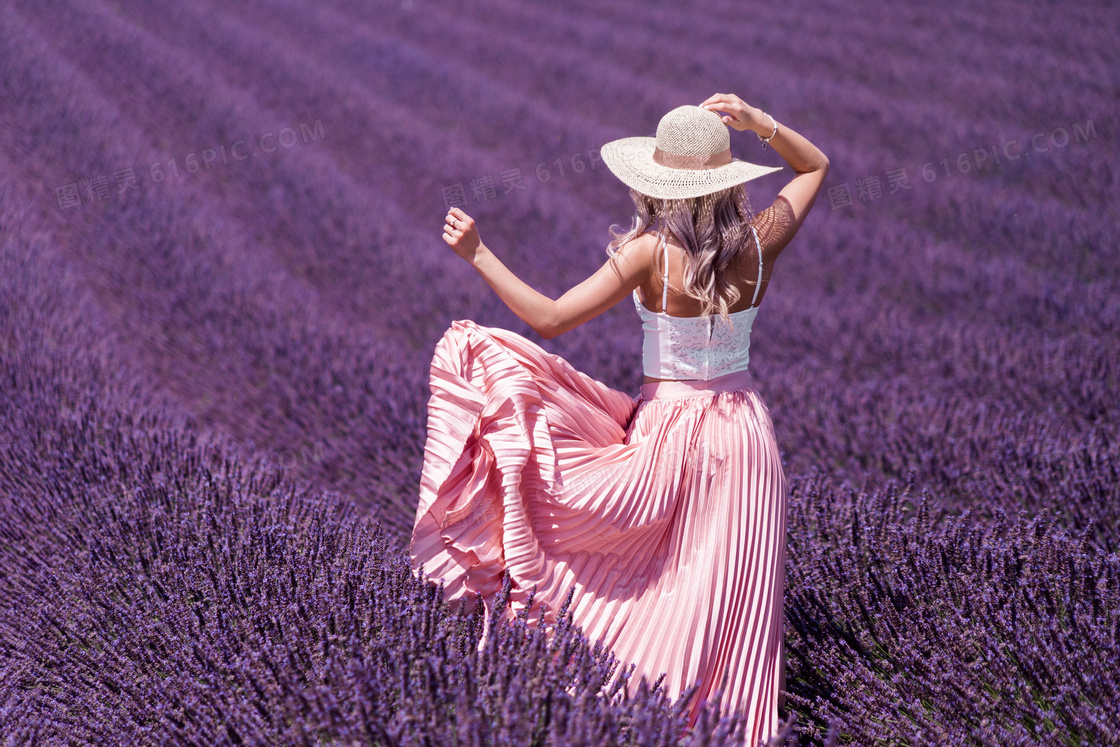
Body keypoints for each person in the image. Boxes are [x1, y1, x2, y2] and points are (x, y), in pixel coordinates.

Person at [410, 93, 828, 744]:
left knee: (654, 578)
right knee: (730, 599)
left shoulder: (651, 253)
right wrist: (758, 121)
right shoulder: (758, 239)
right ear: (724, 179)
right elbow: (815, 168)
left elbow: (550, 318)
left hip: (669, 430)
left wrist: (479, 254)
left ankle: (635, 713)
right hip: (745, 435)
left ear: (660, 181)